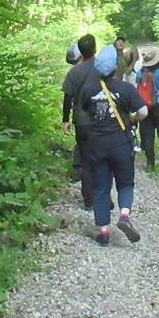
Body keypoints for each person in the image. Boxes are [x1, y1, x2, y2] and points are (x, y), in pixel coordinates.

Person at [79, 44, 148, 246]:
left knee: (100, 188)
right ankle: (124, 216)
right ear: (115, 67)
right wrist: (132, 117)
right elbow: (143, 111)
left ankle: (103, 233)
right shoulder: (126, 88)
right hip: (120, 142)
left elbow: (84, 108)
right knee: (125, 182)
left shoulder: (89, 89)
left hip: (97, 144)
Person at [61, 34, 100, 209]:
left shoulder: (73, 72)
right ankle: (103, 195)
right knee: (102, 158)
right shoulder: (103, 68)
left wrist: (65, 120)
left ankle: (89, 200)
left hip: (81, 120)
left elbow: (68, 97)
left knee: (85, 160)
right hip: (101, 119)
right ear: (95, 48)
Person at [134, 45, 159, 170]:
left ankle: (150, 163)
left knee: (149, 136)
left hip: (145, 107)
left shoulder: (139, 73)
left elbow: (135, 89)